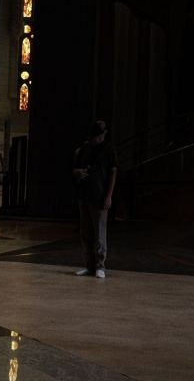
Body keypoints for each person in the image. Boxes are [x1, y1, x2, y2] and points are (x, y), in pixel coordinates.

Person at [72, 120, 117, 279]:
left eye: (98, 135)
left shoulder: (108, 149)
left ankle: (100, 265)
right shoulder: (85, 149)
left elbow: (113, 172)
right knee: (86, 232)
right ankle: (89, 265)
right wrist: (77, 173)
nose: (96, 139)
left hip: (99, 196)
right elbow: (75, 169)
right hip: (84, 195)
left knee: (99, 231)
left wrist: (109, 195)